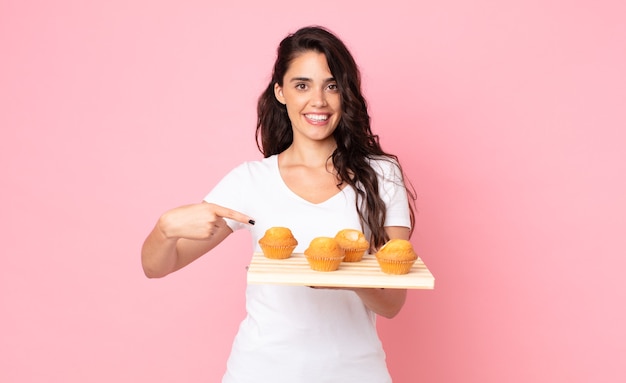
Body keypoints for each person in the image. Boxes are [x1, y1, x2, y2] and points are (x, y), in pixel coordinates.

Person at [141, 25, 416, 383]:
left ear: (345, 94)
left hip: (355, 372)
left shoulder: (382, 174)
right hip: (260, 371)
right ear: (280, 92)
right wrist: (165, 229)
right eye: (302, 85)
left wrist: (343, 276)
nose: (318, 100)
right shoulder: (250, 181)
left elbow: (393, 304)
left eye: (331, 85)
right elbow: (157, 267)